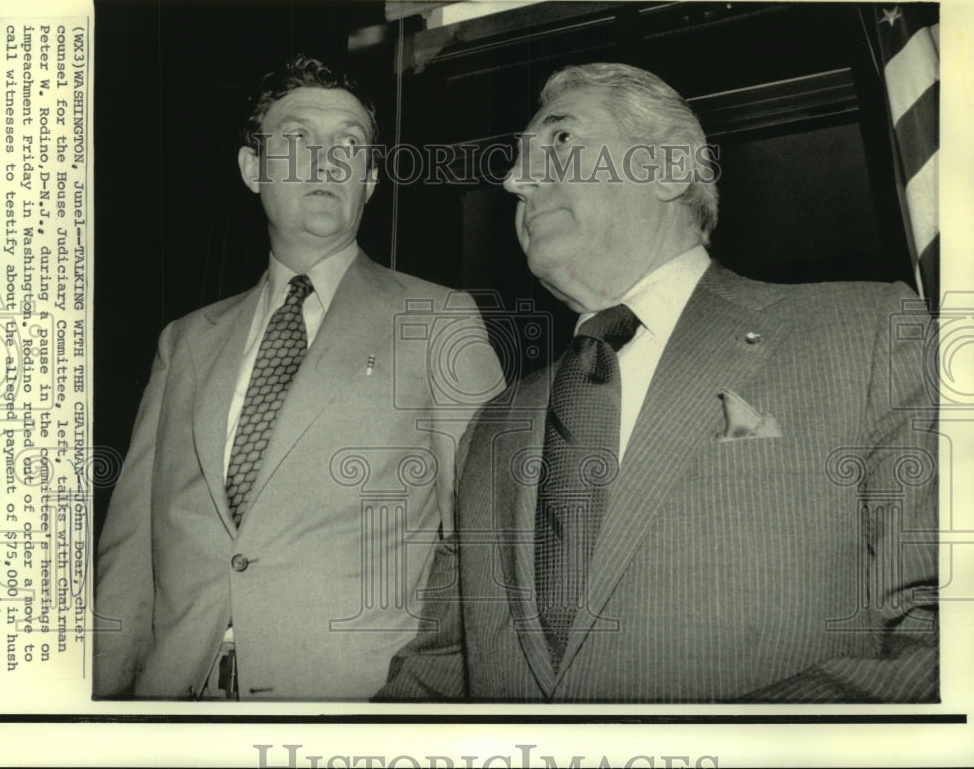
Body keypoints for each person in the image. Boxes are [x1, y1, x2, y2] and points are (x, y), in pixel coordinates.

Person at [378, 62, 938, 702]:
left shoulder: (865, 334)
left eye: (561, 139)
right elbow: (438, 673)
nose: (514, 180)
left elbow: (941, 631)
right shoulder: (491, 427)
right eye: (517, 159)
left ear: (669, 167)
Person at [94, 54, 503, 700]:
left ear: (370, 179)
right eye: (299, 138)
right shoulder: (185, 342)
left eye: (350, 144)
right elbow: (128, 560)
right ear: (252, 169)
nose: (329, 160)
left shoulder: (437, 321)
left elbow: (487, 542)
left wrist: (420, 704)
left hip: (351, 710)